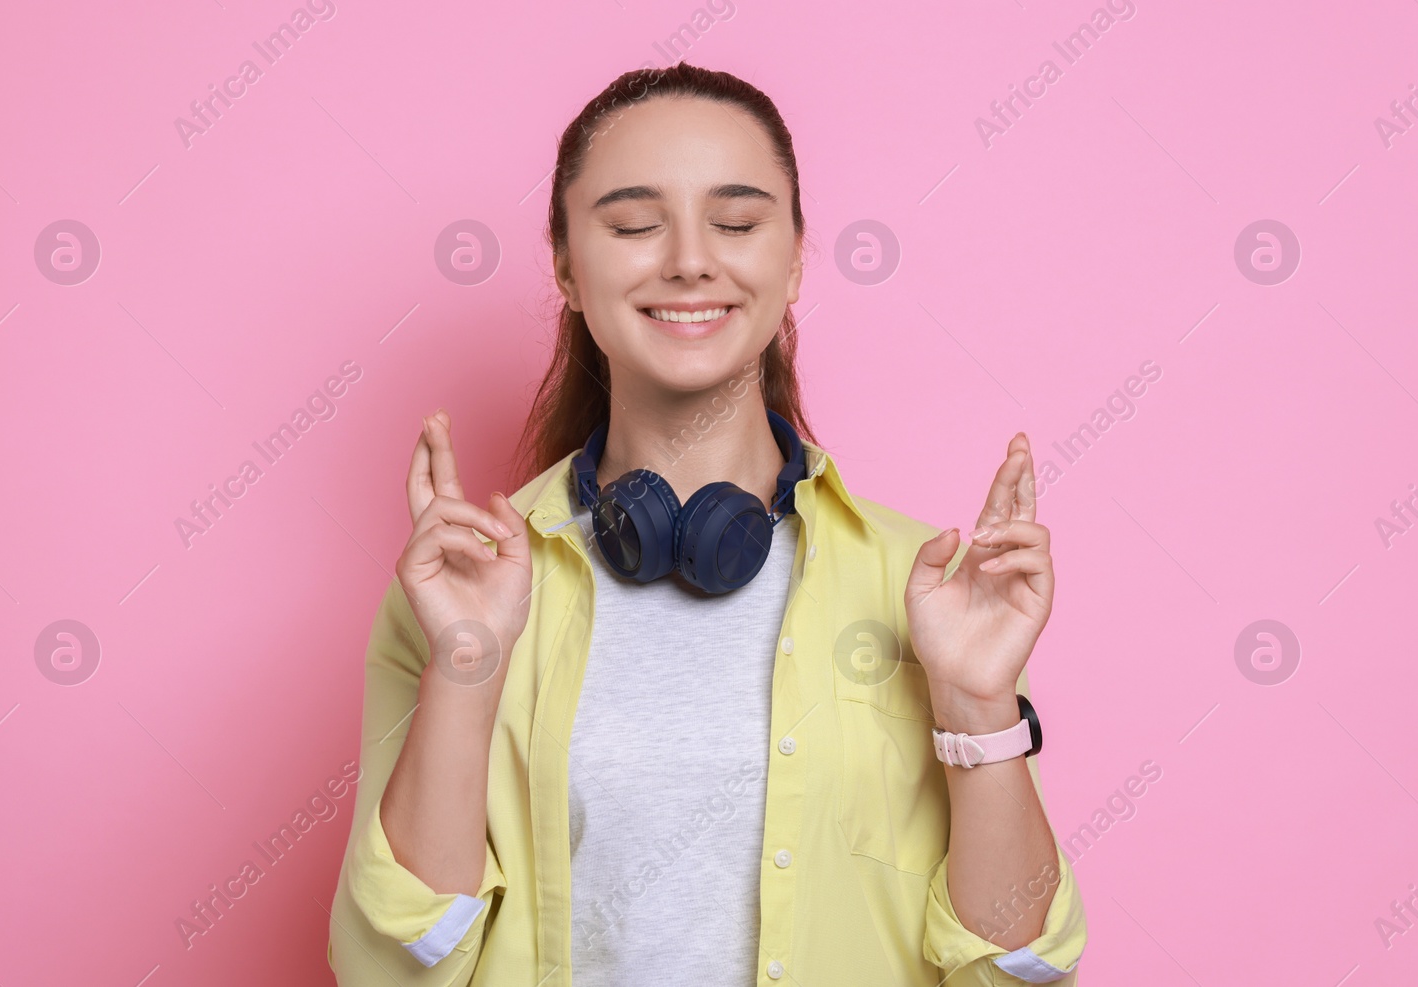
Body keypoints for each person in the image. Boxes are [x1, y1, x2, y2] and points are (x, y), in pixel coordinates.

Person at [327, 62, 1087, 985]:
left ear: (797, 256)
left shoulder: (923, 585)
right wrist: (465, 667)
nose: (690, 258)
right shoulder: (461, 587)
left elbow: (1017, 972)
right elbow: (392, 968)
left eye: (736, 222)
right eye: (635, 224)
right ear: (566, 265)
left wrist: (978, 708)